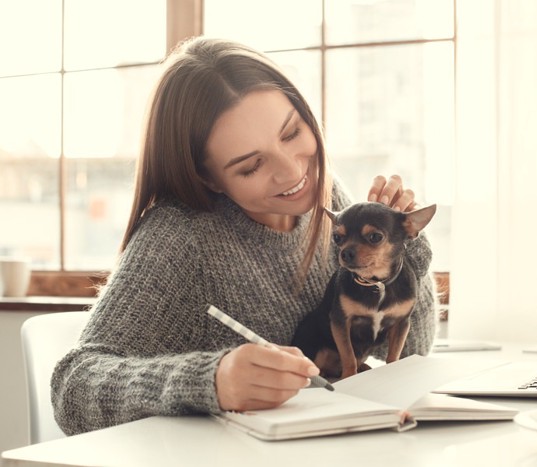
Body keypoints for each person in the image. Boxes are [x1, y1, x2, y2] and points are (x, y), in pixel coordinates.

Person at [51, 36, 436, 435]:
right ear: (208, 178)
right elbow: (73, 389)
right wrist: (210, 380)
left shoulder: (328, 198)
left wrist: (405, 249)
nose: (291, 172)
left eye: (292, 133)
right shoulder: (180, 237)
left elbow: (411, 356)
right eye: (251, 166)